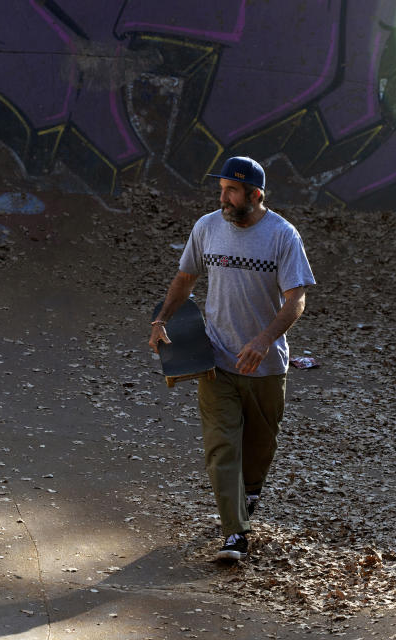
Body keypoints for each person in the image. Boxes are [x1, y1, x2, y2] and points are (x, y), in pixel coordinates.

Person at [148, 156, 316, 561]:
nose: (223, 197)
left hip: (265, 366)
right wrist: (161, 319)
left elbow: (297, 301)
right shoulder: (206, 227)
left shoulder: (282, 236)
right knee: (222, 447)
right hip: (216, 360)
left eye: (232, 190)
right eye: (221, 189)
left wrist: (263, 340)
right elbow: (185, 279)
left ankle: (250, 494)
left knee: (257, 453)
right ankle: (235, 534)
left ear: (255, 195)